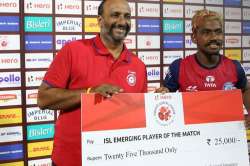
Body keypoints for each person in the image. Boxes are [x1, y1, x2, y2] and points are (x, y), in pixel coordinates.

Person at [37, 0, 147, 165]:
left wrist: (157, 101)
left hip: (118, 159)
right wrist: (89, 92)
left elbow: (140, 115)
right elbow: (44, 98)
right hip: (72, 160)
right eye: (115, 15)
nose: (122, 22)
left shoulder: (138, 66)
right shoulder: (73, 50)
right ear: (100, 20)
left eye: (127, 16)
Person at [156, 9, 250, 111]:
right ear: (194, 37)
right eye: (206, 32)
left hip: (227, 126)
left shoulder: (234, 66)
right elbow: (164, 98)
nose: (214, 37)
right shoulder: (179, 67)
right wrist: (162, 95)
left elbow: (246, 89)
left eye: (218, 32)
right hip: (192, 127)